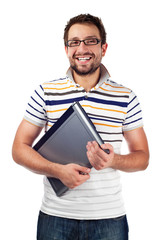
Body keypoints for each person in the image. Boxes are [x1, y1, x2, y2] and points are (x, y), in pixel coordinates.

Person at [12, 14, 149, 240]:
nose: (81, 48)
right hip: (55, 217)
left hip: (109, 219)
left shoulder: (126, 97)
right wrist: (57, 170)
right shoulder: (46, 92)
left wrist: (113, 161)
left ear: (103, 48)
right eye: (74, 42)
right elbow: (19, 149)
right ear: (66, 49)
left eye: (90, 41)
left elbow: (142, 157)